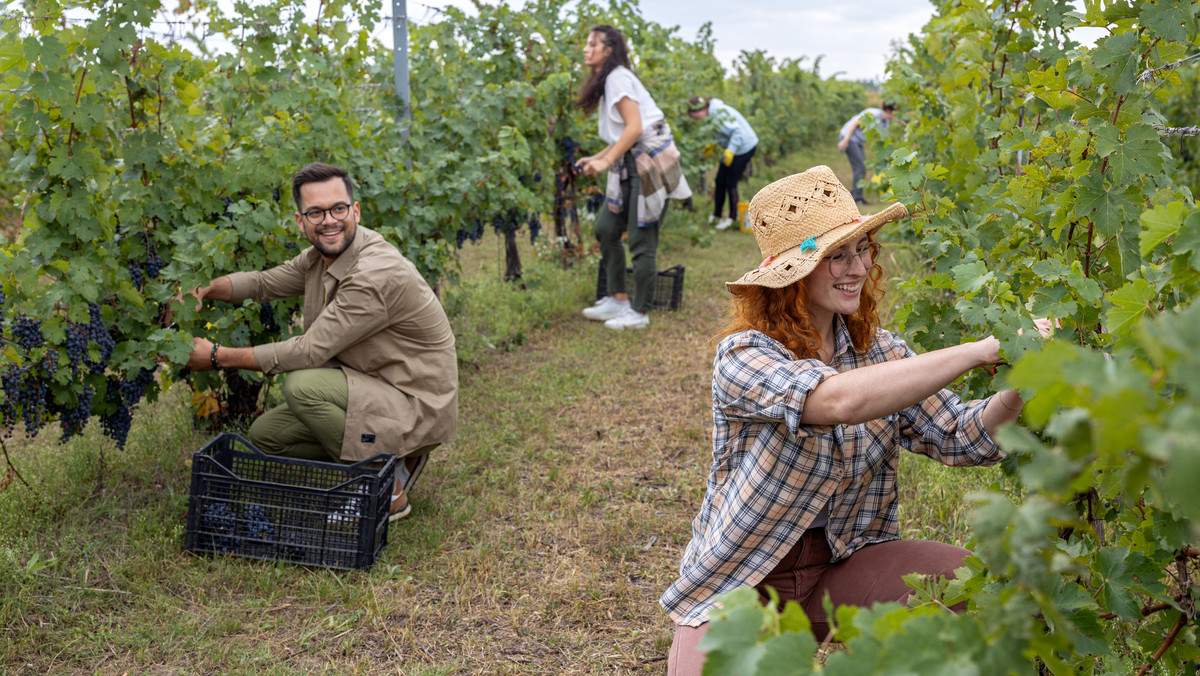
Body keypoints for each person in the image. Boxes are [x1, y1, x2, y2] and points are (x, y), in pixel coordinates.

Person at [660, 166, 1030, 674]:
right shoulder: (744, 354)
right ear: (793, 273)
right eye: (836, 256)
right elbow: (835, 402)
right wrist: (974, 351)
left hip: (844, 562)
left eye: (861, 250)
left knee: (970, 589)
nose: (856, 267)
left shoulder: (879, 351)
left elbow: (960, 437)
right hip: (746, 576)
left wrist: (1020, 382)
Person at [179, 162, 458, 523]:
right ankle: (395, 456)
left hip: (416, 401)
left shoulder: (373, 273)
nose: (329, 220)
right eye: (316, 212)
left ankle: (386, 487)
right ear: (301, 221)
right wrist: (206, 288)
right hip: (375, 386)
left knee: (302, 385)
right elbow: (264, 283)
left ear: (355, 210)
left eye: (338, 208)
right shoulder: (321, 256)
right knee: (266, 435)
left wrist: (217, 356)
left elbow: (310, 351)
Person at [576, 24, 692, 331]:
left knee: (642, 237)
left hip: (648, 163)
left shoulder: (617, 78)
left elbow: (635, 127)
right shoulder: (610, 80)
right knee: (605, 229)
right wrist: (598, 157)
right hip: (630, 161)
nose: (586, 49)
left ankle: (639, 312)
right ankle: (618, 299)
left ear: (608, 49)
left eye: (592, 44)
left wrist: (606, 162)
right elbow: (622, 133)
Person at [686, 96, 758, 231]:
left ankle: (731, 218)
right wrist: (712, 145)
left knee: (731, 182)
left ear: (700, 109)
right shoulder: (710, 115)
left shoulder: (717, 113)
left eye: (695, 117)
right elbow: (721, 133)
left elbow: (737, 132)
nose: (696, 120)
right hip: (733, 147)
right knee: (720, 180)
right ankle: (717, 216)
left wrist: (730, 151)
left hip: (744, 146)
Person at [836, 103, 901, 205]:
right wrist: (845, 140)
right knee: (860, 167)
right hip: (849, 137)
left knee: (861, 167)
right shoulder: (873, 113)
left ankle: (853, 197)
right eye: (895, 112)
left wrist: (887, 159)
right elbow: (854, 123)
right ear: (889, 111)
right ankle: (857, 198)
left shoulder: (885, 123)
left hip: (857, 140)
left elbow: (884, 141)